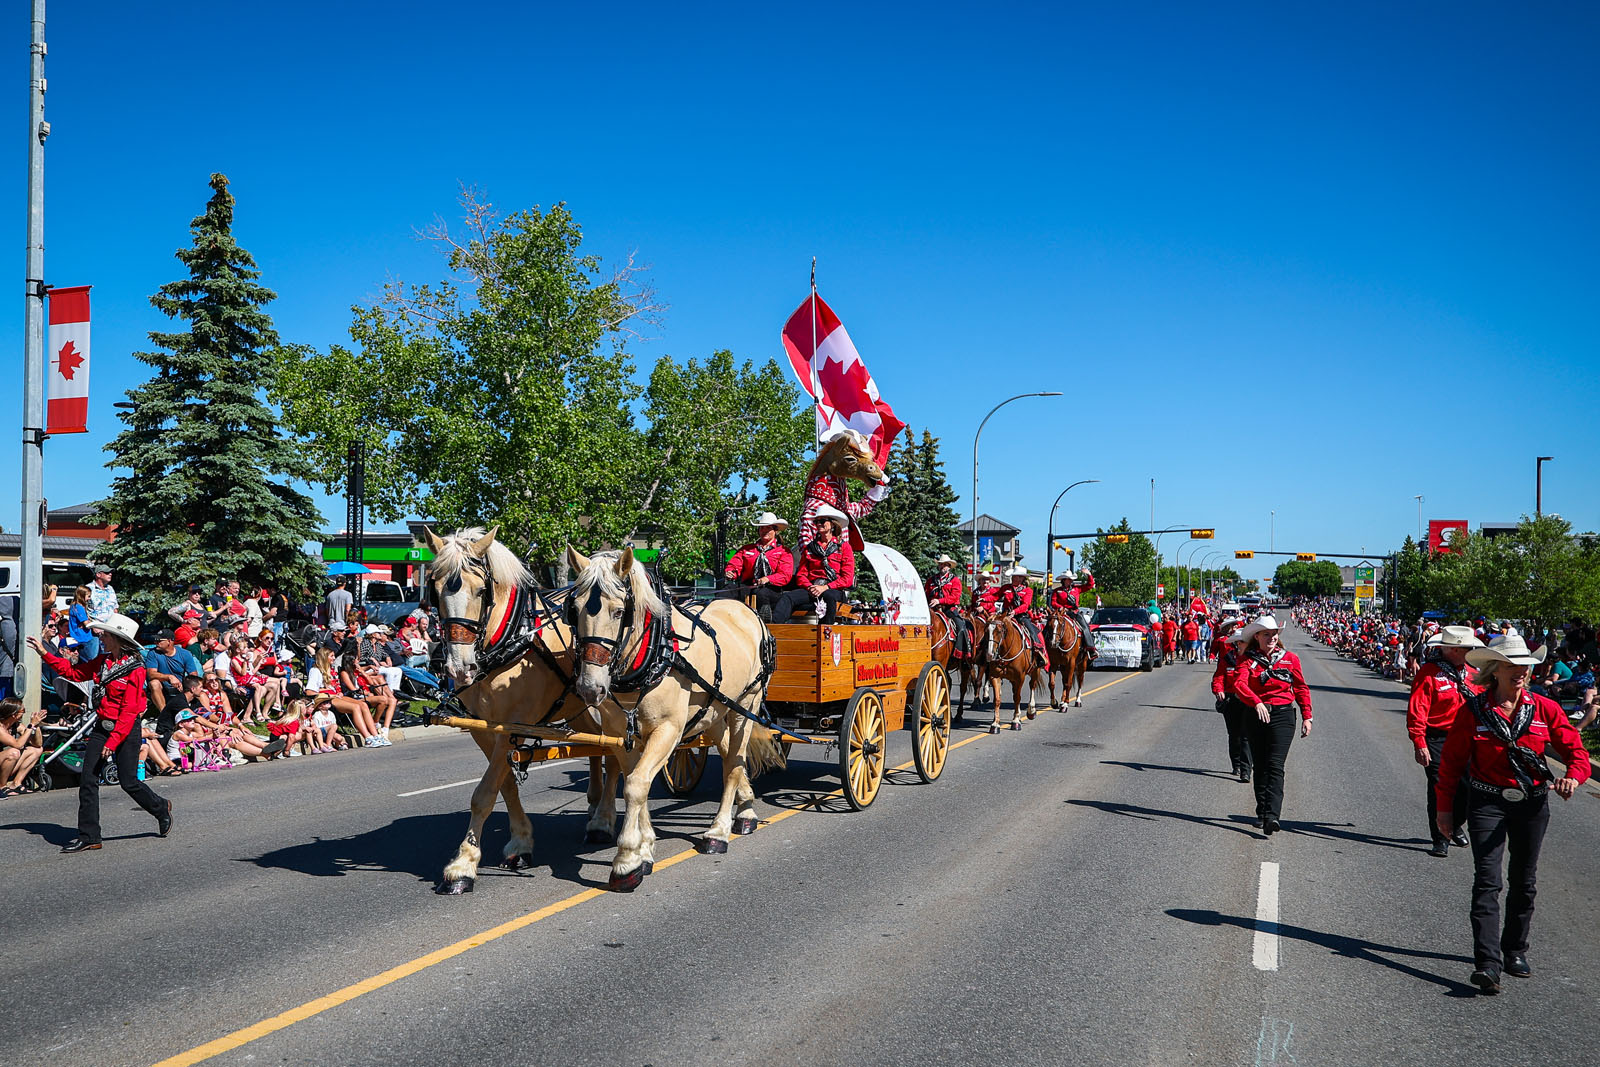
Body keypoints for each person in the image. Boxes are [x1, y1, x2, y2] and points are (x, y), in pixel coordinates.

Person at [1435, 633, 1591, 994]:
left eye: (1524, 666)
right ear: (1494, 670)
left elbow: (1577, 754)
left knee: (1525, 880)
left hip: (1532, 803)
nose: (1519, 672)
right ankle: (1487, 963)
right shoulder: (1473, 711)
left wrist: (1573, 778)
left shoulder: (1545, 709)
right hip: (1487, 802)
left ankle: (1515, 949)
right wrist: (1445, 811)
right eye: (1510, 666)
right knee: (1488, 881)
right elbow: (1451, 766)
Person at [25, 612, 172, 852]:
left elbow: (129, 710)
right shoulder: (103, 661)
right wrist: (44, 653)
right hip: (103, 725)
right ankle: (90, 835)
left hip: (125, 729)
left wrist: (112, 742)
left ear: (116, 638)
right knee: (88, 779)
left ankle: (160, 806)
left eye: (104, 634)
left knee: (129, 782)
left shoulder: (135, 669)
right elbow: (75, 673)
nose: (100, 637)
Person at [1231, 615, 1312, 835]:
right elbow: (1239, 684)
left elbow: (1301, 688)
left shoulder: (1290, 659)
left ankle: (1272, 816)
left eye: (1275, 634)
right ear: (1257, 636)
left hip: (1283, 715)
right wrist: (1256, 702)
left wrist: (1307, 716)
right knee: (1261, 765)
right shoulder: (1247, 659)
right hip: (1256, 713)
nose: (1272, 637)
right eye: (1267, 634)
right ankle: (1262, 811)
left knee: (1276, 765)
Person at [1407, 625, 1483, 857]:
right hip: (1438, 737)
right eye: (1465, 647)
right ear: (1451, 650)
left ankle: (1455, 822)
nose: (1469, 650)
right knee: (1441, 788)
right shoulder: (1429, 672)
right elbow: (1418, 709)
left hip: (1469, 738)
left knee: (1470, 788)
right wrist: (1419, 741)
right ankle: (1441, 837)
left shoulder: (1473, 673)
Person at [770, 505, 854, 624]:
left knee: (828, 597)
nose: (818, 524)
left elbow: (847, 579)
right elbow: (801, 575)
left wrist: (825, 587)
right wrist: (810, 587)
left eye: (822, 521)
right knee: (787, 597)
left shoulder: (844, 547)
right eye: (816, 522)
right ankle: (774, 632)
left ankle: (826, 632)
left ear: (833, 525)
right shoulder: (810, 548)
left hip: (833, 590)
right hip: (812, 589)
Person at [724, 512, 795, 621]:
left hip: (772, 589)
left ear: (775, 531)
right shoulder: (747, 549)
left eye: (768, 528)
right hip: (749, 586)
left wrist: (768, 579)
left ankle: (765, 624)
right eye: (762, 528)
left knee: (761, 594)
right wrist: (731, 572)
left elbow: (785, 575)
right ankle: (724, 621)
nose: (764, 531)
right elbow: (735, 563)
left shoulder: (783, 551)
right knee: (727, 590)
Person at [143, 629, 203, 755]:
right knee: (154, 683)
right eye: (155, 640)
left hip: (180, 688)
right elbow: (151, 673)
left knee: (199, 690)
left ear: (170, 641)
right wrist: (168, 677)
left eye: (159, 640)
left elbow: (193, 675)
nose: (156, 642)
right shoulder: (153, 653)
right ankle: (165, 714)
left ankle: (207, 716)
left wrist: (186, 686)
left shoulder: (184, 654)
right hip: (163, 686)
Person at [1211, 626, 1253, 783]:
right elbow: (1218, 677)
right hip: (1231, 700)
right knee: (1234, 735)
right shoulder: (1228, 658)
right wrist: (1218, 690)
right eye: (1240, 642)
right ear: (1236, 643)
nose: (1243, 644)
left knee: (1246, 736)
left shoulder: (1254, 659)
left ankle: (1246, 770)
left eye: (1245, 642)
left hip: (1248, 700)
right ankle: (1236, 764)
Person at [925, 554, 970, 658]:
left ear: (949, 567)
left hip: (949, 610)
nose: (942, 567)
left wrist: (939, 601)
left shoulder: (955, 581)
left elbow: (955, 597)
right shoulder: (931, 581)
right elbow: (926, 594)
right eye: (941, 565)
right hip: (933, 609)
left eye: (945, 565)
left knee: (961, 627)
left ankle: (963, 654)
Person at [998, 566, 1045, 665]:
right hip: (1005, 616)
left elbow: (1025, 605)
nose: (1014, 578)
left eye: (1017, 576)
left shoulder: (1028, 591)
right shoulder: (1005, 588)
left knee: (1033, 632)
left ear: (1022, 578)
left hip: (1021, 617)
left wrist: (1015, 611)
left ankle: (1038, 652)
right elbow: (994, 596)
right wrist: (984, 599)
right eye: (1013, 576)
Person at [0, 696, 42, 795]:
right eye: (23, 710)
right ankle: (1, 786)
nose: (24, 713)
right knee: (13, 753)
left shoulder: (15, 725)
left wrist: (36, 726)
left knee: (37, 750)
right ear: (14, 715)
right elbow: (18, 744)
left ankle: (16, 783)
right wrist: (31, 726)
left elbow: (37, 744)